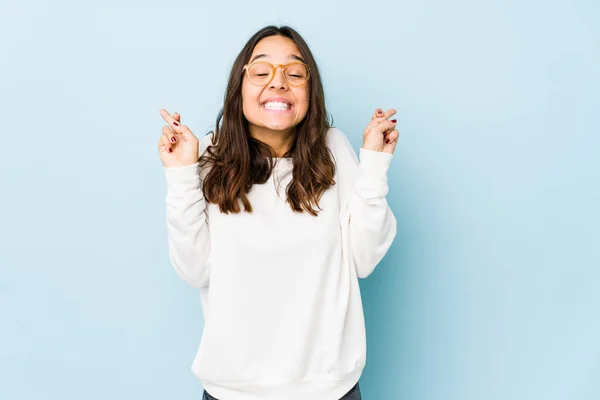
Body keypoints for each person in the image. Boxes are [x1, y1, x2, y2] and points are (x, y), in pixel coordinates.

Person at [157, 25, 399, 400]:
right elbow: (194, 269)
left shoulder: (333, 150)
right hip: (231, 393)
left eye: (295, 73)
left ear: (309, 91)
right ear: (240, 87)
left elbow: (364, 259)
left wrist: (374, 165)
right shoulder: (208, 155)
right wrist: (180, 174)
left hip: (329, 391)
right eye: (261, 71)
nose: (278, 82)